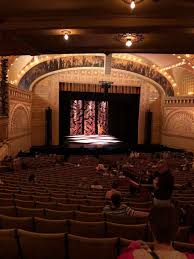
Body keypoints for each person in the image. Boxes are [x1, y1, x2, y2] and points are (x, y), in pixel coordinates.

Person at [118, 206, 194, 259]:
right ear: (178, 231)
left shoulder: (130, 256)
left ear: (150, 228)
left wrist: (132, 247)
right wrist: (150, 252)